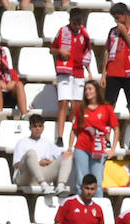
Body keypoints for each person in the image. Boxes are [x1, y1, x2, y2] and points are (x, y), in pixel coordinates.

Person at [100, 1, 130, 148]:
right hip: (113, 72)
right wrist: (103, 75)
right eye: (114, 18)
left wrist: (124, 32)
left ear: (126, 15)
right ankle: (106, 138)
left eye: (118, 17)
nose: (116, 21)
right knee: (109, 106)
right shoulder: (112, 31)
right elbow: (107, 52)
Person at [50, 6, 92, 147]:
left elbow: (87, 54)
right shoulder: (62, 31)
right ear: (70, 21)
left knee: (76, 106)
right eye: (74, 23)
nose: (76, 26)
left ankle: (71, 131)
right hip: (65, 72)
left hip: (79, 72)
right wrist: (60, 51)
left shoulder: (85, 35)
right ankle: (60, 136)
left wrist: (89, 71)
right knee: (63, 103)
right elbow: (52, 49)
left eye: (79, 23)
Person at [69, 79, 115, 196]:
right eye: (85, 90)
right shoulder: (81, 108)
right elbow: (74, 129)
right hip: (81, 148)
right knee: (81, 181)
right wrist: (70, 148)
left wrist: (113, 149)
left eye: (90, 89)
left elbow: (116, 128)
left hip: (98, 147)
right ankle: (81, 208)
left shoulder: (106, 108)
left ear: (96, 91)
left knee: (97, 182)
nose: (87, 92)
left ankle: (97, 210)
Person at [12, 113, 71, 194]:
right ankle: (43, 185)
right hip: (25, 176)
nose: (37, 129)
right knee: (31, 153)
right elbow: (16, 165)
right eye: (35, 126)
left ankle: (60, 186)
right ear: (30, 128)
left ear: (43, 127)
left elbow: (61, 155)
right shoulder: (22, 143)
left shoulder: (47, 142)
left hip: (42, 174)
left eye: (40, 126)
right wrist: (38, 163)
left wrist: (50, 162)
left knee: (67, 156)